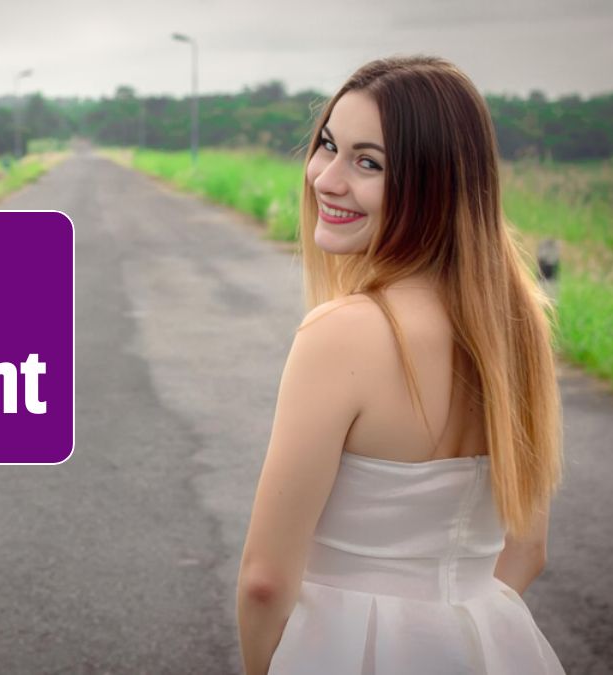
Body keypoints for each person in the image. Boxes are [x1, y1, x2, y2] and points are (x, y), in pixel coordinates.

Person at [236, 55, 566, 675]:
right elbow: (527, 549)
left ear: (435, 183)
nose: (326, 179)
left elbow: (264, 582)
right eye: (328, 146)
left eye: (369, 163)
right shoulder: (516, 328)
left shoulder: (343, 333)